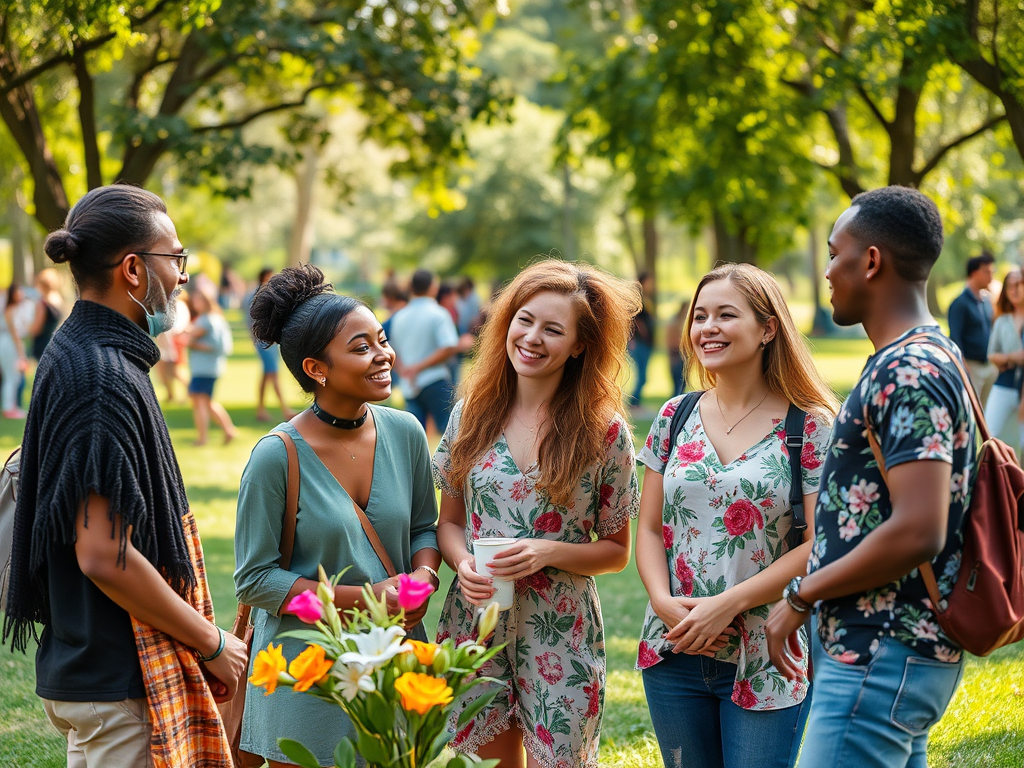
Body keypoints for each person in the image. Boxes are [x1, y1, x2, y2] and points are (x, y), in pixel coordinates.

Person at [1, 184, 247, 767]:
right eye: (176, 258)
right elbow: (102, 553)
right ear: (134, 270)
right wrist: (211, 642)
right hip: (116, 681)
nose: (183, 276)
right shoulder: (101, 377)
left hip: (95, 670)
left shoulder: (82, 349)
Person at [765, 186, 976, 768]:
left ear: (872, 261)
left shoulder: (908, 368)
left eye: (836, 253)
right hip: (889, 654)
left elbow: (918, 530)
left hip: (879, 652)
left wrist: (801, 595)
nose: (828, 271)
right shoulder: (931, 354)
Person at [432, 259, 641, 768]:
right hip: (476, 622)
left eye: (553, 329)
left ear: (580, 345)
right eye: (524, 320)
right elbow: (450, 523)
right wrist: (462, 564)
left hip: (561, 630)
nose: (532, 337)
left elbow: (616, 553)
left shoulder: (605, 433)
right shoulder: (471, 415)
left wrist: (547, 551)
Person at [236, 264, 441, 767]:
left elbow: (421, 526)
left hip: (394, 664)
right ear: (316, 369)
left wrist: (423, 576)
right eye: (361, 347)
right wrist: (366, 599)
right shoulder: (276, 455)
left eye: (381, 339)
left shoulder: (406, 432)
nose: (384, 355)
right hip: (306, 675)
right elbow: (255, 580)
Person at [635, 263, 838, 768]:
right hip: (674, 648)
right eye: (700, 316)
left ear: (768, 328)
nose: (708, 328)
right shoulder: (674, 415)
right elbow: (648, 528)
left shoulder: (809, 426)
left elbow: (820, 544)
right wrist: (662, 602)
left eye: (726, 315)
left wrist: (726, 605)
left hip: (768, 652)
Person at [389, 268, 460, 433]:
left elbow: (393, 349)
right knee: (451, 435)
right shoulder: (439, 314)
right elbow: (449, 346)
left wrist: (405, 370)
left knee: (415, 439)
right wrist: (418, 367)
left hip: (409, 384)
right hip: (434, 379)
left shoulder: (399, 317)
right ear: (433, 287)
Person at [187, 280, 237, 446]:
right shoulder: (216, 318)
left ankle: (202, 438)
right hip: (212, 368)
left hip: (204, 369)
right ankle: (228, 430)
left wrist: (191, 342)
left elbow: (205, 342)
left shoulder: (206, 320)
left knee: (200, 402)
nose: (194, 303)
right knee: (207, 402)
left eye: (197, 299)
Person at [244, 268, 295, 422]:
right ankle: (285, 409)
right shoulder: (259, 295)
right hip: (264, 340)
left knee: (267, 374)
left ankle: (261, 409)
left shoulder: (262, 293)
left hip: (268, 340)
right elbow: (252, 319)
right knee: (272, 374)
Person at [947, 251, 996, 403]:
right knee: (971, 412)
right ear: (974, 273)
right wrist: (963, 367)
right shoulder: (959, 303)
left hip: (989, 366)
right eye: (987, 272)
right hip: (971, 366)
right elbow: (955, 337)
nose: (991, 276)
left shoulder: (987, 301)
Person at [982, 268, 1024, 446]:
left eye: (1018, 285)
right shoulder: (1002, 321)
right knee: (989, 435)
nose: (1013, 290)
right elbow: (991, 354)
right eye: (1009, 287)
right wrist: (1011, 357)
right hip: (1005, 382)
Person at [154, 293, 191, 403]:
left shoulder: (179, 305)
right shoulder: (164, 305)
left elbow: (179, 325)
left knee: (175, 370)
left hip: (174, 341)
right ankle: (170, 393)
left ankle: (190, 392)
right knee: (162, 370)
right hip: (163, 341)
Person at [0, 283, 29, 418]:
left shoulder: (14, 309)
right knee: (11, 377)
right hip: (9, 345)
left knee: (13, 377)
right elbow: (15, 334)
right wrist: (22, 355)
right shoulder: (10, 311)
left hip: (8, 344)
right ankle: (8, 408)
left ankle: (11, 406)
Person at [628, 272, 655, 407]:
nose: (652, 285)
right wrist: (643, 335)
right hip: (640, 343)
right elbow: (636, 320)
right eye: (649, 282)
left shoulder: (646, 299)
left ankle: (635, 402)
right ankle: (634, 402)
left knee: (643, 376)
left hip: (646, 343)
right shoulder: (637, 299)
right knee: (642, 376)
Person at [29, 267, 65, 361]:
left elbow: (37, 328)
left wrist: (27, 329)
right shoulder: (58, 299)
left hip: (42, 344)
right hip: (55, 342)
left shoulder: (42, 303)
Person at [665, 297, 690, 397]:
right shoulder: (674, 322)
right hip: (676, 353)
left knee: (683, 380)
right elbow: (670, 341)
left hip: (685, 353)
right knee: (677, 379)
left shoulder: (686, 321)